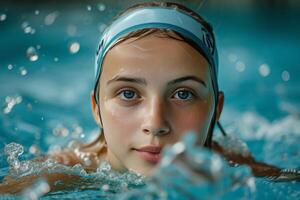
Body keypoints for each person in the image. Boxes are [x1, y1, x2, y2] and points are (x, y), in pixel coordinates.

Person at [0, 1, 297, 195]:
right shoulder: (61, 173)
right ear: (96, 107)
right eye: (128, 93)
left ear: (216, 109)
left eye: (183, 93)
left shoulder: (231, 167)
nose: (155, 123)